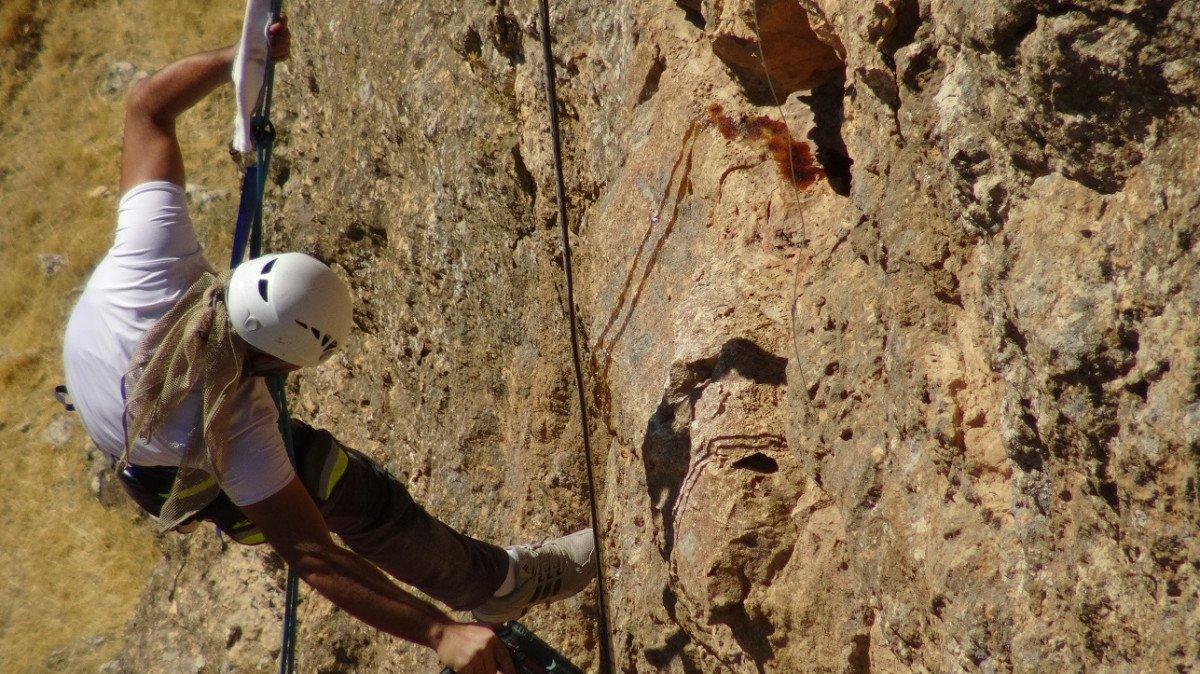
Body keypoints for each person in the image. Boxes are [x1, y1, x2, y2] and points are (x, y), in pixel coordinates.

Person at [60, 17, 595, 674]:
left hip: (103, 391)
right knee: (337, 485)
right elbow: (313, 558)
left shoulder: (155, 253)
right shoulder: (236, 430)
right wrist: (439, 635)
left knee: (316, 483)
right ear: (280, 363)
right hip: (164, 469)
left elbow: (147, 103)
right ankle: (498, 586)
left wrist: (237, 59)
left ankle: (489, 586)